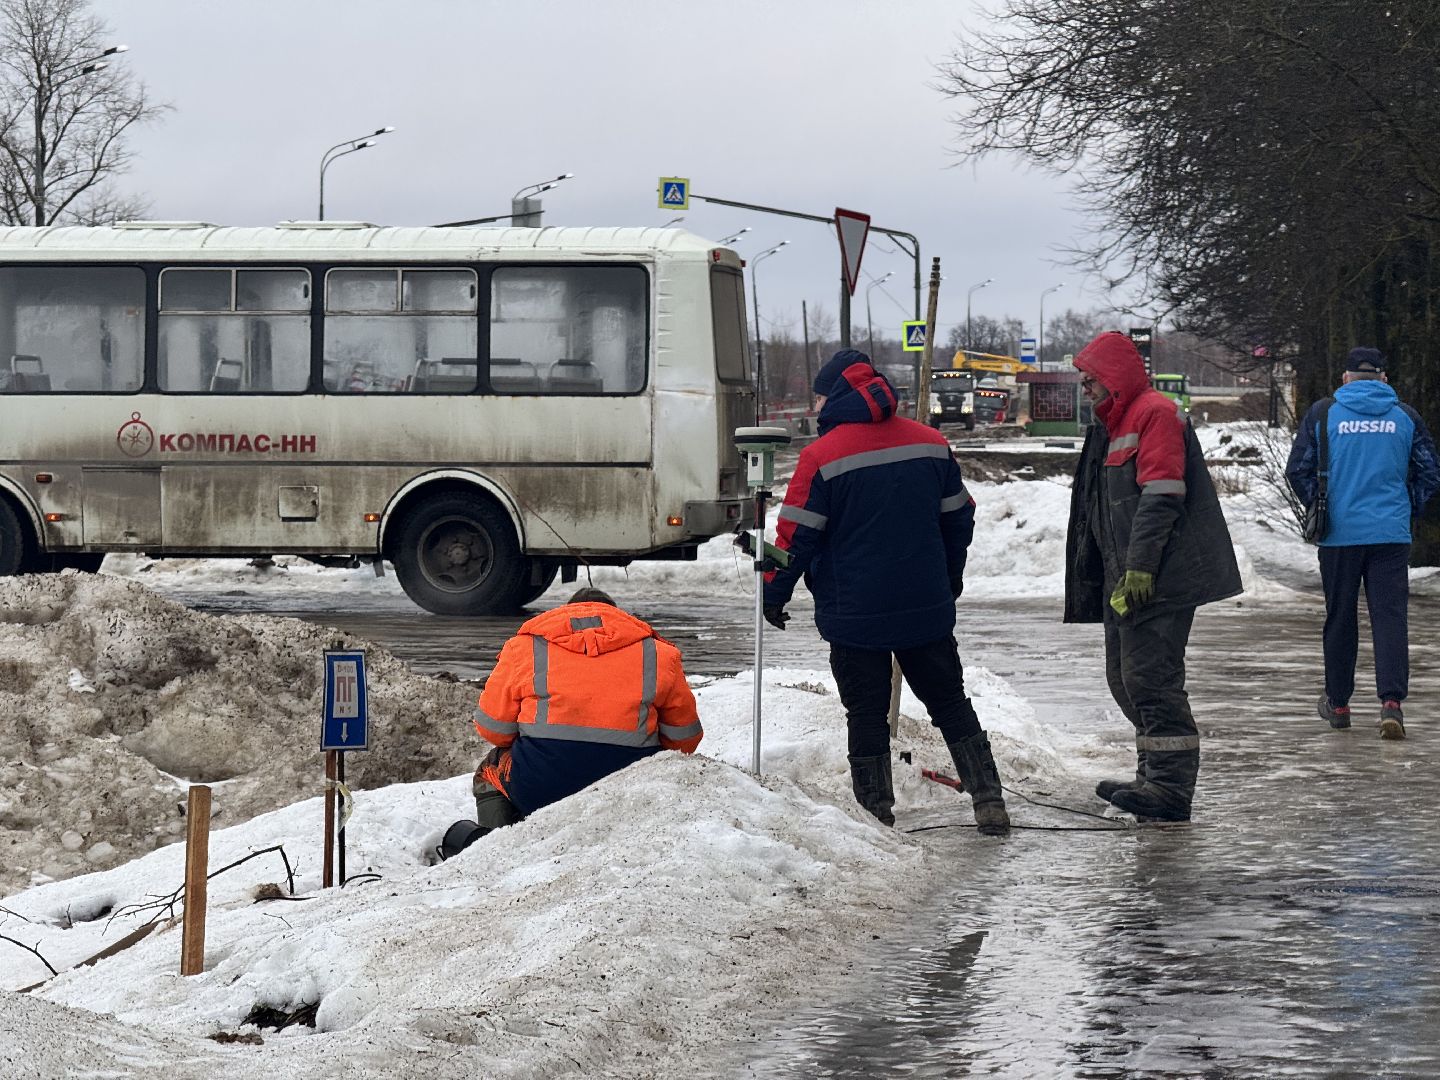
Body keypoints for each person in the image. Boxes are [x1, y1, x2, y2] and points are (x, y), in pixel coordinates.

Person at [761, 348, 1010, 836]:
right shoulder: (931, 443)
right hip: (926, 607)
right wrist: (948, 576)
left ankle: (876, 815)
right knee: (951, 702)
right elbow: (960, 517)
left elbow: (798, 536)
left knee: (867, 713)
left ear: (835, 397)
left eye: (818, 397)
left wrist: (774, 593)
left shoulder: (821, 457)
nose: (814, 408)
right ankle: (990, 801)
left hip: (855, 614)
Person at [1064, 331, 1241, 822]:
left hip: (1160, 575)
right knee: (1125, 681)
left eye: (1090, 380)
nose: (1085, 388)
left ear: (1113, 378)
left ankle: (1169, 789)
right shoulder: (1109, 424)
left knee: (1152, 681)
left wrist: (1141, 567)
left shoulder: (1155, 414)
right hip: (1122, 576)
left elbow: (1161, 495)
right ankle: (1152, 776)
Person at [441, 587, 703, 857]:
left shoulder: (524, 648)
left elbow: (495, 730)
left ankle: (496, 850)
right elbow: (684, 741)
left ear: (565, 613)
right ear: (619, 616)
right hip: (628, 791)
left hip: (540, 786)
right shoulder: (659, 654)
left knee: (488, 771)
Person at [1285, 346, 1440, 740]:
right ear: (1385, 379)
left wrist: (1321, 506)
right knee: (1390, 619)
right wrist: (1407, 509)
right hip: (1390, 534)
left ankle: (1338, 704)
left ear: (1345, 378)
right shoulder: (1405, 417)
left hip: (1339, 536)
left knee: (1340, 617)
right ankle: (1391, 704)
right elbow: (1429, 472)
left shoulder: (1323, 414)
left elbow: (1298, 469)